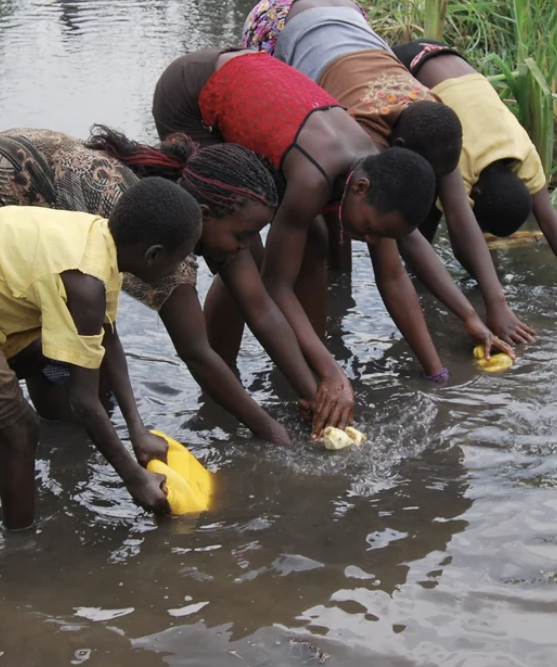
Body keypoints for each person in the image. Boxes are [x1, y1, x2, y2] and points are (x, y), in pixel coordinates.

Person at [152, 48, 515, 431]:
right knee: (240, 254)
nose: (370, 240)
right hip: (193, 97)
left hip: (264, 104)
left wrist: (437, 373)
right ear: (359, 187)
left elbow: (393, 279)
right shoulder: (313, 180)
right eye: (371, 229)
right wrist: (332, 372)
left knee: (315, 244)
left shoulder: (373, 179)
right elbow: (276, 285)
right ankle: (220, 388)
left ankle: (307, 372)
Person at [0, 127, 293, 443]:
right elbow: (197, 354)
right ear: (204, 216)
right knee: (53, 363)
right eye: (243, 235)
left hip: (9, 168)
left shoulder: (165, 214)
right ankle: (59, 452)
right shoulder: (167, 249)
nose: (246, 247)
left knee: (84, 370)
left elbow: (109, 336)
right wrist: (269, 429)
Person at [0, 180, 201, 529]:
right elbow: (83, 401)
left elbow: (107, 339)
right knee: (20, 429)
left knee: (38, 355)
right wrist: (134, 478)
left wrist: (137, 431)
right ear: (153, 255)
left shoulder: (98, 240)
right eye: (180, 258)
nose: (180, 267)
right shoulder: (85, 281)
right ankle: (21, 552)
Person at [242, 0, 536, 348]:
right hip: (278, 20)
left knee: (354, 208)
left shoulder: (434, 125)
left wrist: (495, 305)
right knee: (324, 203)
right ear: (396, 149)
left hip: (346, 10)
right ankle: (337, 281)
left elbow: (460, 214)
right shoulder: (362, 133)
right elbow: (392, 258)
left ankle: (338, 279)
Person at [395, 40, 557, 295]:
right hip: (406, 66)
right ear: (477, 193)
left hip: (447, 56)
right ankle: (414, 269)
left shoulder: (523, 153)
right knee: (428, 189)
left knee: (434, 189)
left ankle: (416, 268)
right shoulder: (460, 162)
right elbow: (460, 244)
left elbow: (549, 219)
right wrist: (494, 288)